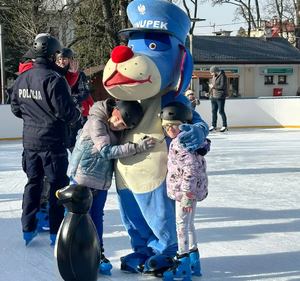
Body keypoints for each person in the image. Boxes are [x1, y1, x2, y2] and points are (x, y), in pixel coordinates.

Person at [68, 98, 156, 275]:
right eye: (118, 120)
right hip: (82, 178)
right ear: (115, 109)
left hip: (101, 180)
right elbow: (106, 151)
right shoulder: (96, 121)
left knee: (96, 217)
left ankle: (97, 254)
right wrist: (137, 147)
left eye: (123, 126)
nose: (118, 126)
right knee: (78, 219)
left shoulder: (115, 125)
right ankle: (72, 252)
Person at [10, 34, 81, 246]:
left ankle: (27, 227)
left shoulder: (23, 77)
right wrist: (76, 115)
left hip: (30, 142)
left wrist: (33, 117)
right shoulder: (53, 79)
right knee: (57, 185)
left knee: (33, 182)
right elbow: (66, 111)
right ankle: (56, 230)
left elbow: (15, 108)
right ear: (52, 54)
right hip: (53, 142)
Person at [160, 102, 208, 280]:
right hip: (191, 191)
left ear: (184, 123)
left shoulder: (181, 142)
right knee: (189, 224)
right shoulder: (188, 139)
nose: (170, 129)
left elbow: (191, 169)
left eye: (174, 125)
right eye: (166, 126)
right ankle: (194, 260)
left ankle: (182, 262)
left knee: (181, 225)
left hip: (185, 192)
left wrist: (187, 195)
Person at [56, 48, 92, 149]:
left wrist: (74, 99)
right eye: (59, 59)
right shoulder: (54, 74)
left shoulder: (79, 74)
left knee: (75, 144)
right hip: (60, 114)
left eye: (64, 59)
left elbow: (85, 91)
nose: (61, 62)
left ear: (70, 60)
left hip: (75, 114)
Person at [209, 65, 228, 132]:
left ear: (215, 71)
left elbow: (222, 86)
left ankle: (224, 126)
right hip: (213, 96)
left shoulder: (223, 76)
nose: (212, 74)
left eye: (212, 72)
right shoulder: (214, 76)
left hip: (220, 96)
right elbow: (213, 87)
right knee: (213, 111)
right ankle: (213, 125)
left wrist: (213, 86)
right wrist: (210, 93)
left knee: (221, 111)